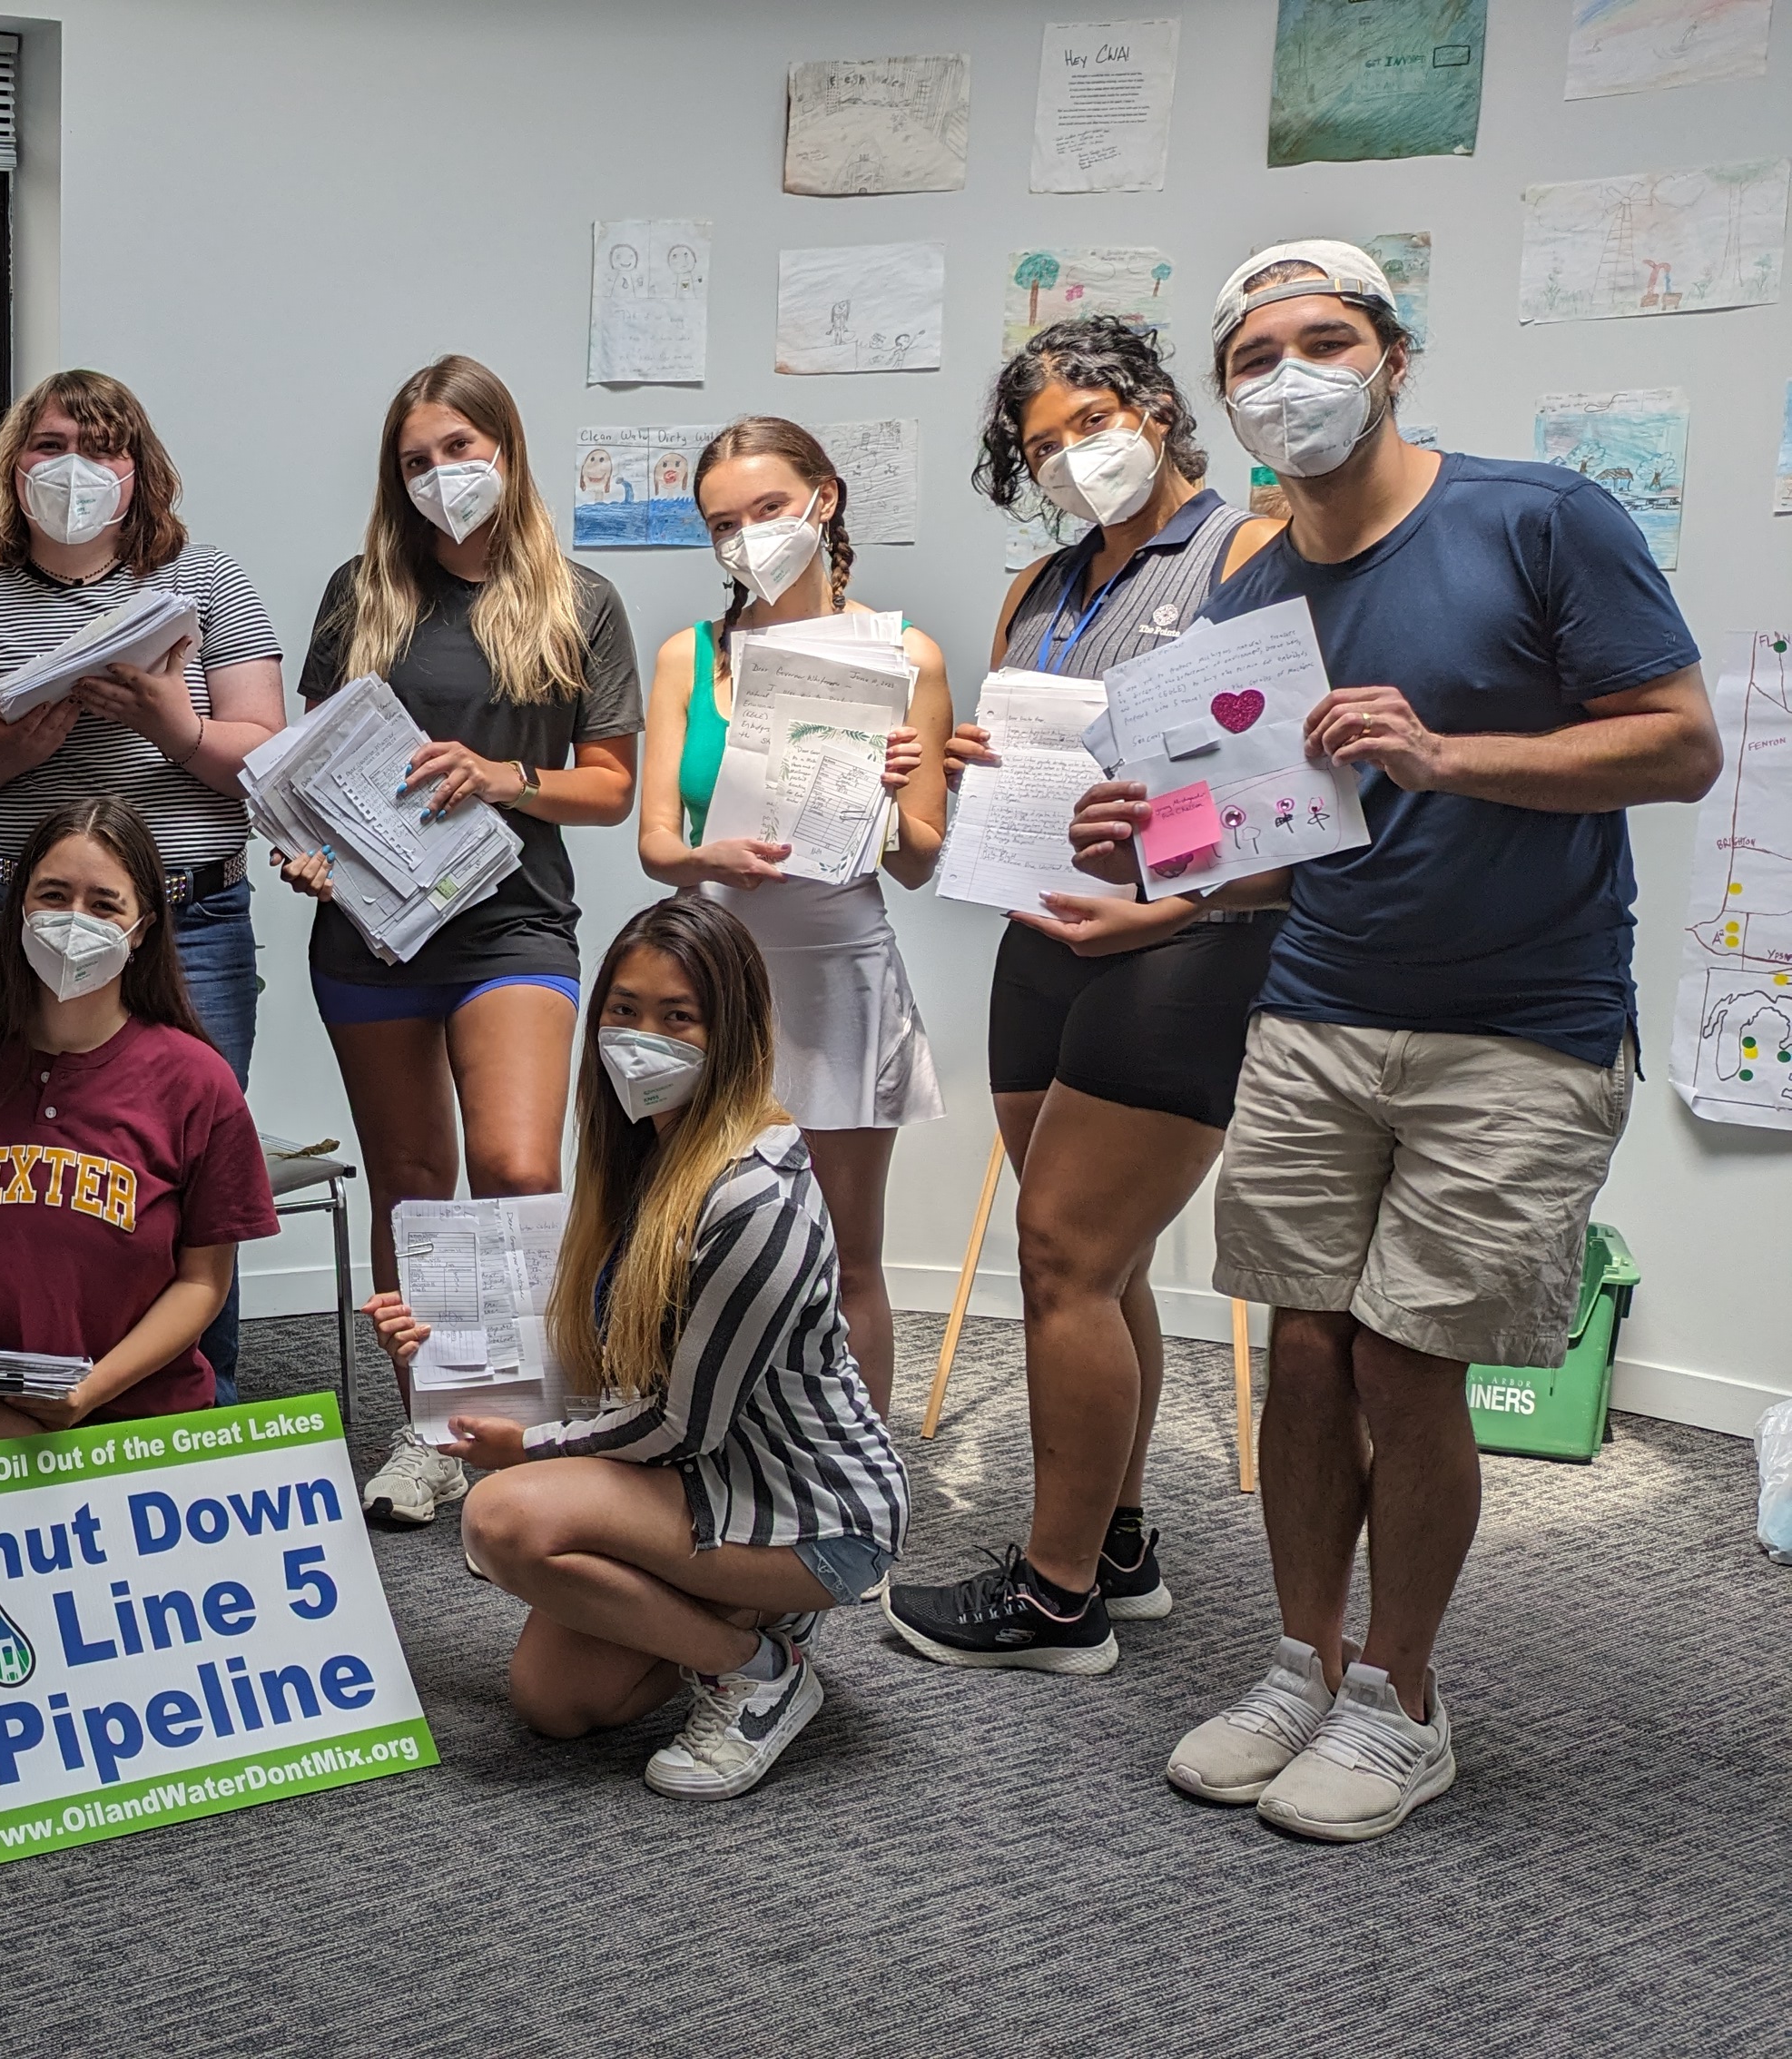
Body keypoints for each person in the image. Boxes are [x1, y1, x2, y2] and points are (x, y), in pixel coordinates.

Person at [1072, 243, 1714, 1843]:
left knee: (1406, 1363)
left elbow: (1681, 746)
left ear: (1394, 356)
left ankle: (1399, 1697)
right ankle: (1300, 1662)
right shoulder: (1250, 594)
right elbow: (1280, 843)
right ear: (1223, 396)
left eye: (1326, 341)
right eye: (1256, 358)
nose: (1291, 378)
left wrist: (1445, 754)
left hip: (1522, 1025)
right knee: (1303, 1351)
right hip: (1317, 1002)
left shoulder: (1539, 518)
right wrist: (1152, 854)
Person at [883, 319, 1288, 1674]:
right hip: (1043, 930)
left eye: (1091, 424)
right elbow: (1040, 759)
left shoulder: (1248, 553)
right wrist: (973, 759)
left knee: (1062, 1255)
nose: (1071, 459)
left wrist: (1168, 907)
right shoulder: (1039, 586)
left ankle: (1057, 1600)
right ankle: (1114, 1540)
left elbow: (1284, 793)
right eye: (1042, 445)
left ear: (1158, 408)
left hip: (1185, 942)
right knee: (1089, 1266)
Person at [363, 896, 906, 1802]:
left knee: (503, 1520)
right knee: (558, 1702)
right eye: (624, 1010)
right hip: (700, 1481)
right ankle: (748, 1617)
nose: (641, 1039)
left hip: (814, 1510)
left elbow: (680, 1427)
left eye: (677, 1016)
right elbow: (594, 1360)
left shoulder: (755, 1196)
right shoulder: (642, 1151)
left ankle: (757, 1671)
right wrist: (446, 1353)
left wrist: (522, 1450)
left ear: (730, 1032)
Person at [275, 355, 639, 1530]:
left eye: (459, 450)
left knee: (519, 1172)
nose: (440, 474)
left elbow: (610, 788)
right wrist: (308, 853)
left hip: (511, 922)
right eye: (416, 459)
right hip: (371, 928)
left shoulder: (579, 601)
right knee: (412, 1191)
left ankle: (536, 1415)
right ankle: (430, 1428)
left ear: (507, 450)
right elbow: (312, 774)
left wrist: (505, 778)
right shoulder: (362, 593)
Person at [0, 369, 285, 1400]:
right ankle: (14, 1387)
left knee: (193, 1185)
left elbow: (268, 760)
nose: (75, 468)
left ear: (138, 469)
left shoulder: (208, 583)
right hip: (17, 920)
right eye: (51, 445)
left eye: (102, 447)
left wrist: (175, 726)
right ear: (13, 465)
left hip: (188, 919)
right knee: (24, 1167)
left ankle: (199, 1415)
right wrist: (4, 756)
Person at [635, 415, 953, 1419]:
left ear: (825, 499)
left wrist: (890, 799)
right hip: (714, 975)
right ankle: (705, 1452)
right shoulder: (690, 657)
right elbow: (656, 846)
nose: (748, 538)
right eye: (723, 524)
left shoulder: (906, 653)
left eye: (768, 508)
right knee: (696, 1240)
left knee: (848, 1254)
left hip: (839, 974)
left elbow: (920, 861)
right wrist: (707, 857)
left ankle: (857, 1476)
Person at [0, 799, 280, 1450]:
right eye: (53, 895)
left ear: (142, 927)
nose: (75, 921)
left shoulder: (196, 1080)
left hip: (147, 1408)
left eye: (104, 905)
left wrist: (88, 1392)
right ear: (19, 907)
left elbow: (203, 1281)